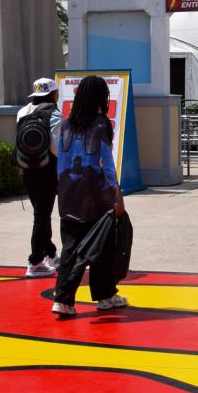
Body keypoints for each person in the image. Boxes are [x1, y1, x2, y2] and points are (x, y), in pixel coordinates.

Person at [50, 75, 126, 318]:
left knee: (71, 247)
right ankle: (103, 296)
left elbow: (60, 160)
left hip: (68, 193)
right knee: (102, 245)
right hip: (96, 195)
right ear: (100, 98)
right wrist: (116, 192)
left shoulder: (65, 125)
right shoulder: (101, 125)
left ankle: (65, 300)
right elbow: (107, 162)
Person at [16, 77, 61, 277]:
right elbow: (56, 148)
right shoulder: (54, 114)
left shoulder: (23, 112)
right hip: (46, 171)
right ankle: (35, 262)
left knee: (41, 214)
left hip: (26, 170)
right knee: (41, 216)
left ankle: (50, 254)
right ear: (53, 94)